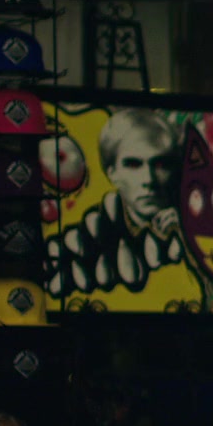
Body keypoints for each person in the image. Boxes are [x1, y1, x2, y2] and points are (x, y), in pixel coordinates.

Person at [44, 108, 184, 297]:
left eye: (160, 165)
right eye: (133, 164)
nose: (149, 179)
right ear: (112, 173)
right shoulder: (89, 234)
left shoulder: (194, 225)